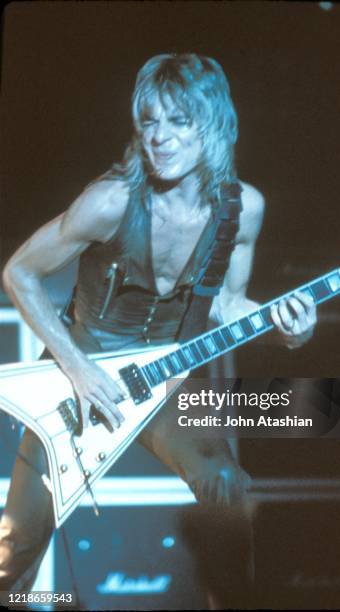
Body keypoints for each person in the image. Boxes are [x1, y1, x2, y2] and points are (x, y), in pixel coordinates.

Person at [0, 54, 316, 594]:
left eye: (178, 121)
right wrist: (77, 369)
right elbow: (19, 272)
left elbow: (228, 303)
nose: (159, 138)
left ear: (213, 124)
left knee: (226, 485)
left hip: (164, 380)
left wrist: (291, 326)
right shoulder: (110, 201)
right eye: (149, 122)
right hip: (82, 379)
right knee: (15, 549)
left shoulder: (242, 210)